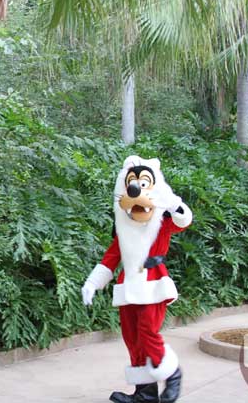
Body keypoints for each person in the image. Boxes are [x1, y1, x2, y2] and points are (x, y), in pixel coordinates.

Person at [81, 155, 192, 403]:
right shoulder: (123, 228)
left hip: (153, 283)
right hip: (128, 285)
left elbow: (183, 220)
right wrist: (92, 283)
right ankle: (145, 393)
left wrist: (171, 202)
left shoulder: (162, 222)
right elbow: (110, 258)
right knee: (132, 338)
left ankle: (172, 374)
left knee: (147, 332)